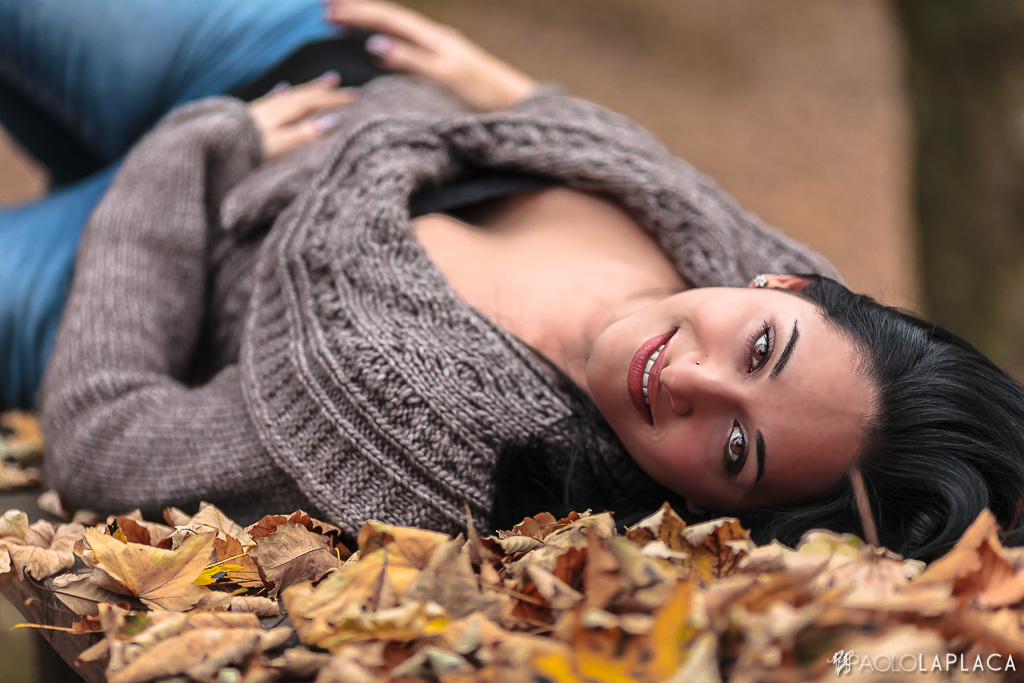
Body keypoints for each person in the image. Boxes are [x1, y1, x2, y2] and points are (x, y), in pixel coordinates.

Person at [2, 0, 1021, 563]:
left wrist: (185, 160)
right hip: (298, 62)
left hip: (137, 249)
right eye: (759, 346)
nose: (697, 379)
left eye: (738, 445)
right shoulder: (807, 316)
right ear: (788, 284)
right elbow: (657, 173)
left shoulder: (416, 456)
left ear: (725, 509)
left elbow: (105, 437)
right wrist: (520, 94)